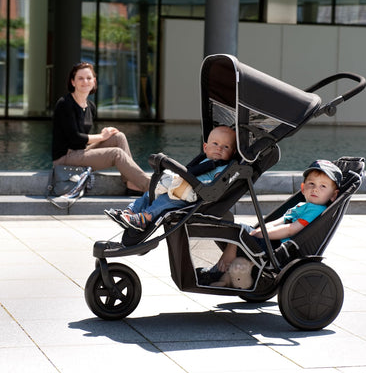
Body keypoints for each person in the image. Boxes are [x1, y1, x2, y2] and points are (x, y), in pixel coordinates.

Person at [214, 159, 343, 273]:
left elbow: (290, 229)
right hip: (272, 240)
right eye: (311, 184)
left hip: (276, 248)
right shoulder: (302, 206)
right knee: (238, 231)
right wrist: (261, 229)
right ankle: (229, 267)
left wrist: (263, 234)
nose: (315, 189)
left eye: (323, 186)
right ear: (303, 188)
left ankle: (223, 266)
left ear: (333, 195)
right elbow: (280, 221)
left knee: (237, 232)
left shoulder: (315, 210)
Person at [105, 125, 237, 231]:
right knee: (148, 194)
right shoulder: (202, 160)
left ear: (232, 152)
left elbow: (218, 184)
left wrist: (220, 178)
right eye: (215, 143)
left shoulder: (222, 168)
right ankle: (130, 212)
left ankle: (144, 218)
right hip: (178, 187)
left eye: (226, 147)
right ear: (205, 147)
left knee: (166, 200)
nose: (219, 148)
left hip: (190, 196)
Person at [52, 62, 150, 194]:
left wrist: (107, 134)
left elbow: (82, 140)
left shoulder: (90, 106)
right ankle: (151, 187)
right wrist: (102, 136)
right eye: (80, 78)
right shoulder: (65, 103)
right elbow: (74, 138)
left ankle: (132, 183)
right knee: (117, 154)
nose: (85, 81)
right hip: (65, 158)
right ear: (73, 82)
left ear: (94, 81)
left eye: (88, 78)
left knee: (118, 137)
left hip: (81, 152)